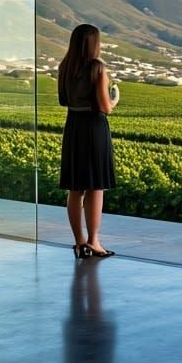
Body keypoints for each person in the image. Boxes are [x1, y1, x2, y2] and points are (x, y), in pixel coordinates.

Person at [58, 24, 119, 258]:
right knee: (95, 185)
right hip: (94, 127)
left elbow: (64, 100)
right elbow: (105, 107)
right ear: (94, 44)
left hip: (73, 126)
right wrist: (114, 99)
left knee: (76, 187)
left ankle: (79, 242)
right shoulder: (97, 67)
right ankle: (94, 241)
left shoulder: (65, 66)